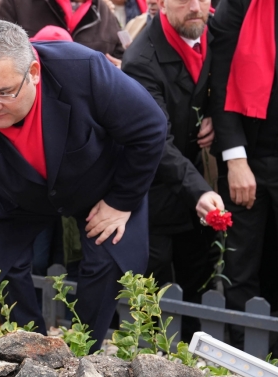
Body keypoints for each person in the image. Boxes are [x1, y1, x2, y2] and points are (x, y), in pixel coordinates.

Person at [0, 20, 167, 349]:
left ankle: (85, 349)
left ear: (34, 73)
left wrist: (121, 202)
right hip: (18, 192)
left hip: (99, 184)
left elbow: (151, 127)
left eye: (4, 92)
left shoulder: (83, 69)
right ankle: (31, 348)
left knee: (107, 261)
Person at [122, 0, 224, 340]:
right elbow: (156, 142)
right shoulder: (141, 61)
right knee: (155, 285)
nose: (195, 7)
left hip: (191, 175)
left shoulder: (215, 32)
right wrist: (200, 190)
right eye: (182, 0)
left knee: (199, 272)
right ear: (160, 4)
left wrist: (212, 114)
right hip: (152, 185)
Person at [209, 0, 278, 349]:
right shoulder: (238, 6)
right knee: (241, 267)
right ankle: (245, 356)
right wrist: (235, 158)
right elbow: (220, 81)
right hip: (250, 157)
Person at [0, 0, 124, 66]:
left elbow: (120, 58)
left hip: (85, 106)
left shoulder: (106, 13)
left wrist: (120, 70)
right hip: (32, 101)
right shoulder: (17, 3)